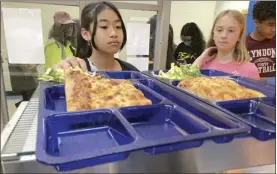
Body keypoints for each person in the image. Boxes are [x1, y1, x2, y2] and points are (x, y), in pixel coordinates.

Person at [55, 1, 138, 71]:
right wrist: (57, 73)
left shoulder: (132, 72)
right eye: (104, 26)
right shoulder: (77, 69)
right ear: (86, 34)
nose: (114, 33)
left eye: (118, 26)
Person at [193, 10, 260, 80]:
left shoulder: (250, 70)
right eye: (219, 30)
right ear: (213, 34)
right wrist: (199, 60)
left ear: (239, 36)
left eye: (231, 31)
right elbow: (183, 86)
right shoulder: (202, 64)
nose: (224, 35)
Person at [246, 1, 276, 78]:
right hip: (250, 87)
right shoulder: (243, 45)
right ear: (256, 22)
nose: (274, 29)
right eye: (270, 24)